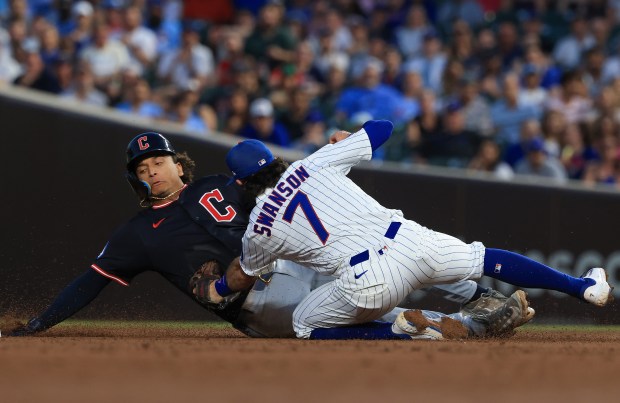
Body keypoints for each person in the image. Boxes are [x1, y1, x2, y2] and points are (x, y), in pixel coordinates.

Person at [7, 132, 526, 339]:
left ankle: (482, 296)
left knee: (371, 252)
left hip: (286, 261)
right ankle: (462, 327)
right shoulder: (136, 234)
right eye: (143, 168)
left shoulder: (223, 184)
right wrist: (40, 322)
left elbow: (293, 194)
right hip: (255, 300)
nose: (154, 171)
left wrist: (335, 151)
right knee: (370, 309)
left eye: (160, 160)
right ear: (136, 181)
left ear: (177, 163)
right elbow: (90, 281)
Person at [210, 120, 611, 340]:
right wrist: (346, 140)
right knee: (482, 257)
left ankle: (402, 332)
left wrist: (219, 291)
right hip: (412, 240)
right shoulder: (309, 163)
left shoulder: (257, 231)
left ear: (242, 183)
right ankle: (582, 287)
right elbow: (383, 128)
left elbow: (242, 276)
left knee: (304, 324)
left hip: (367, 280)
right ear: (274, 161)